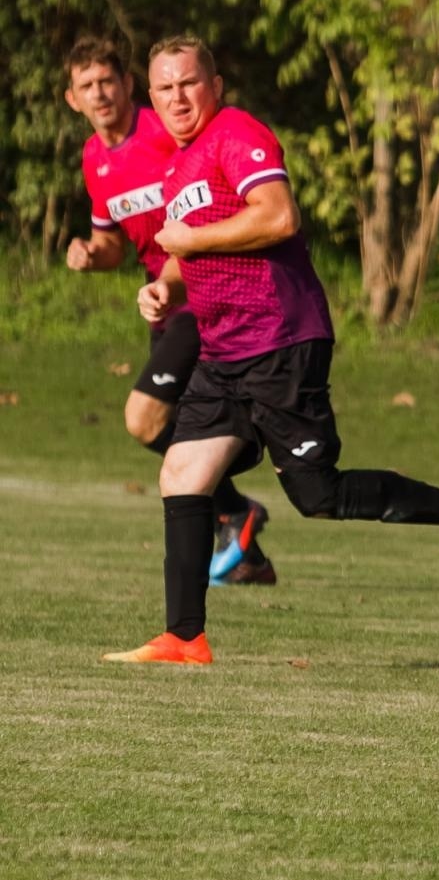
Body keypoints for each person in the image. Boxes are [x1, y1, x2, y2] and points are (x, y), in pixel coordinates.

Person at [101, 34, 439, 664]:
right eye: (164, 87)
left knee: (318, 496)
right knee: (181, 474)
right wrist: (162, 287)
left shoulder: (237, 132)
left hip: (280, 338)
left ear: (215, 87)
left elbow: (276, 218)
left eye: (189, 82)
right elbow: (188, 256)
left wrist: (191, 245)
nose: (177, 97)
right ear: (152, 97)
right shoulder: (176, 167)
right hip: (222, 354)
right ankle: (184, 638)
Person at [63, 36, 276, 584]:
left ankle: (233, 507)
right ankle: (246, 551)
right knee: (169, 420)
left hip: (202, 288)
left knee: (145, 415)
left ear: (130, 85)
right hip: (163, 296)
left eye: (107, 81)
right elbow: (111, 242)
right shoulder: (95, 159)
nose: (100, 93)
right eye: (87, 86)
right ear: (72, 99)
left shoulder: (165, 130)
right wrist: (90, 255)